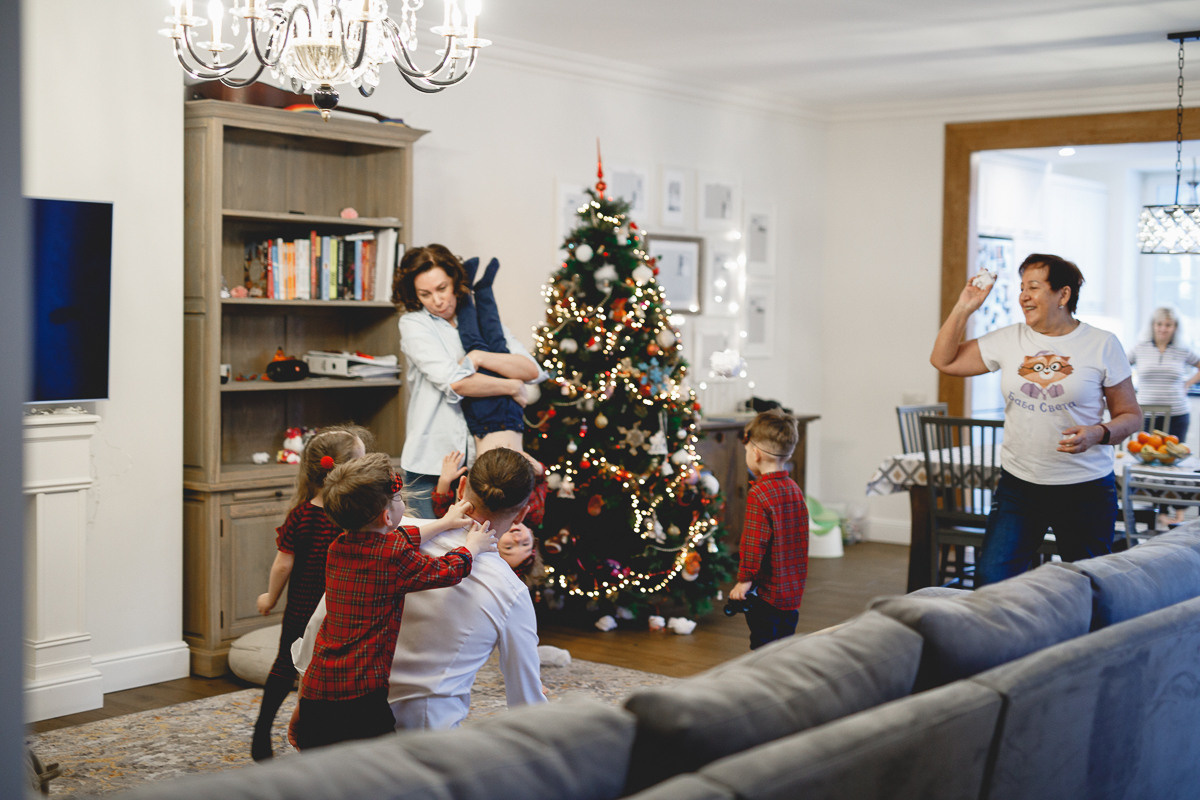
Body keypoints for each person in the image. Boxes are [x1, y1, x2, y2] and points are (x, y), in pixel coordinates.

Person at [293, 447, 546, 733]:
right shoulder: (510, 591)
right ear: (522, 513)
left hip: (332, 707)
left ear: (461, 486)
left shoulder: (375, 531)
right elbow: (528, 705)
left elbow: (323, 623)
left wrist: (305, 700)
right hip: (423, 735)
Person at [930, 253, 1141, 585]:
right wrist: (964, 307)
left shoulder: (1101, 344)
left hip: (1084, 488)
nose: (1023, 297)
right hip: (1019, 486)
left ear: (1063, 294)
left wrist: (1097, 433)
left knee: (1089, 584)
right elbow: (944, 361)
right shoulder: (1009, 339)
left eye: (1033, 287)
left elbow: (1130, 416)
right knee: (991, 582)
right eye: (1021, 288)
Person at [392, 244, 546, 517]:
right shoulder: (415, 324)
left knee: (475, 541)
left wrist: (480, 357)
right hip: (432, 461)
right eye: (425, 294)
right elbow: (456, 383)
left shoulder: (479, 321)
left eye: (442, 288)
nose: (437, 301)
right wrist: (510, 385)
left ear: (455, 281)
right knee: (431, 540)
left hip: (480, 463)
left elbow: (530, 370)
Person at [250, 424, 371, 762]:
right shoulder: (355, 517)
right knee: (327, 671)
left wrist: (270, 598)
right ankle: (316, 735)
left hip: (302, 608)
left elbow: (282, 565)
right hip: (340, 608)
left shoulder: (301, 515)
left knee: (285, 665)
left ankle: (263, 728)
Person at [728, 409, 809, 650]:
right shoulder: (794, 488)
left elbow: (754, 544)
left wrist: (744, 580)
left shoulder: (759, 494)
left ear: (755, 453)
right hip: (792, 591)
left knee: (762, 647)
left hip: (767, 594)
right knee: (784, 645)